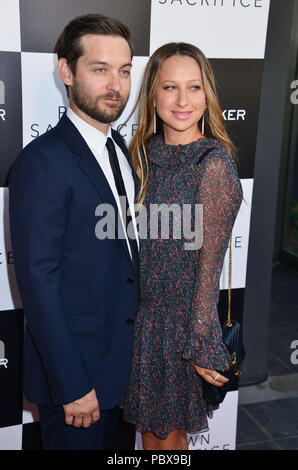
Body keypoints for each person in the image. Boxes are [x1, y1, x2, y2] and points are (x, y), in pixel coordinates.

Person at [9, 14, 139, 450]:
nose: (115, 85)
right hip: (78, 384)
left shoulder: (120, 148)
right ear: (66, 70)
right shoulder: (41, 162)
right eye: (99, 69)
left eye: (123, 71)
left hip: (124, 374)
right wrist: (73, 385)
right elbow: (37, 282)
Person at [121, 42, 243, 450]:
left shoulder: (213, 163)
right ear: (153, 94)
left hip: (182, 328)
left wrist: (198, 341)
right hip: (144, 323)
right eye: (170, 87)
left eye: (194, 87)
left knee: (165, 444)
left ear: (207, 94)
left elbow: (209, 269)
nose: (182, 100)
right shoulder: (140, 157)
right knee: (153, 442)